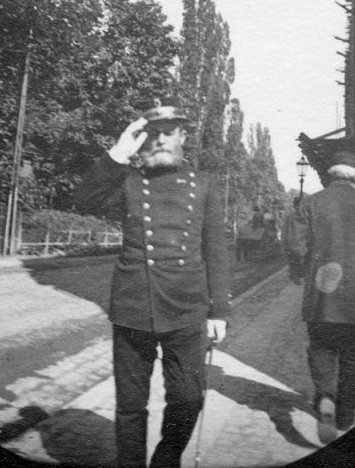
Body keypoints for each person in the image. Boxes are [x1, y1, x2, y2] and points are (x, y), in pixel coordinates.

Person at [73, 97, 230, 468]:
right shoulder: (127, 180)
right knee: (130, 405)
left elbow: (217, 251)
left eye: (168, 133)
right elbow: (83, 198)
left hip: (187, 309)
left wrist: (220, 310)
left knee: (189, 398)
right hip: (133, 307)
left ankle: (166, 458)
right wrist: (118, 151)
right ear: (143, 139)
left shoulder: (205, 185)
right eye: (152, 133)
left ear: (183, 137)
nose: (160, 140)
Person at [285, 150, 355, 442]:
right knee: (353, 357)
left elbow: (294, 243)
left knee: (321, 347)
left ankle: (324, 395)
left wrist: (297, 270)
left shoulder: (311, 202)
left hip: (323, 294)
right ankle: (346, 417)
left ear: (331, 173)